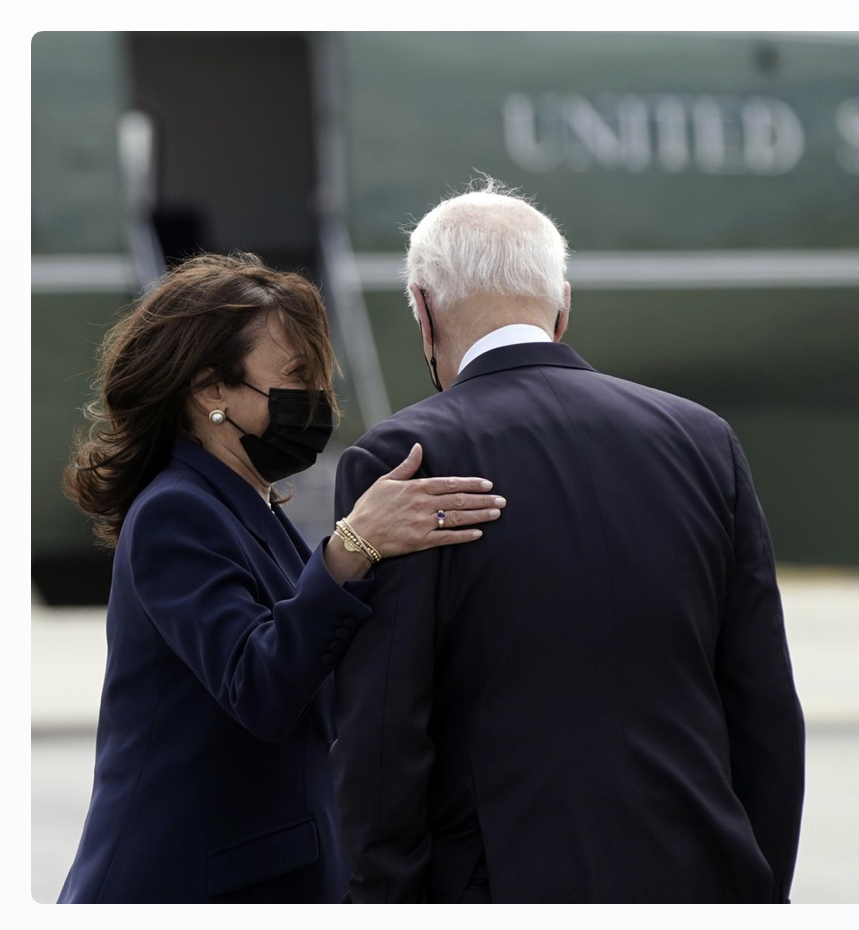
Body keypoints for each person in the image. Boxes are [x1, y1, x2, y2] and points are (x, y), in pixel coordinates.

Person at [330, 179, 806, 903]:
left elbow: (384, 736)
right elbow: (764, 707)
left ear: (424, 313)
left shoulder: (404, 460)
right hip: (700, 878)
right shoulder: (702, 440)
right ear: (563, 303)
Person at [57, 252, 507, 903]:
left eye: (321, 379)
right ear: (212, 391)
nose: (318, 401)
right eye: (297, 376)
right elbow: (260, 685)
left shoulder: (248, 505)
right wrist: (354, 545)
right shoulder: (175, 512)